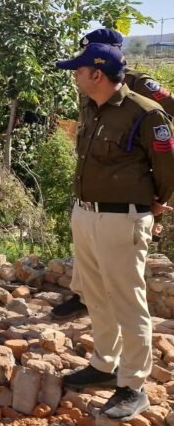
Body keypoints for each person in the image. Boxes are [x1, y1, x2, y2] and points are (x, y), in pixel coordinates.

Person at [55, 43, 174, 421]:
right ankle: (104, 364)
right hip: (86, 214)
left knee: (127, 301)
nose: (75, 76)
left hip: (123, 219)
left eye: (79, 70)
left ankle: (133, 385)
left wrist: (154, 204)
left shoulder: (145, 113)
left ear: (98, 74)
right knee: (95, 294)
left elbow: (167, 168)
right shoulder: (92, 107)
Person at [53, 28, 174, 320]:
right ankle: (84, 297)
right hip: (97, 178)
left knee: (124, 283)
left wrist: (156, 203)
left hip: (136, 183)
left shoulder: (137, 84)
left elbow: (164, 121)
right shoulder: (89, 85)